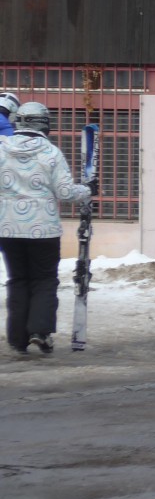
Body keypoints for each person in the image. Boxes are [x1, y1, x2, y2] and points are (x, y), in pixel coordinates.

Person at [1, 102, 92, 355]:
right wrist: (87, 190)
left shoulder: (1, 149)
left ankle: (17, 339)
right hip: (43, 229)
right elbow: (65, 192)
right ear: (45, 123)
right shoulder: (51, 152)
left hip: (7, 228)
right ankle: (40, 332)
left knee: (17, 279)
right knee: (44, 280)